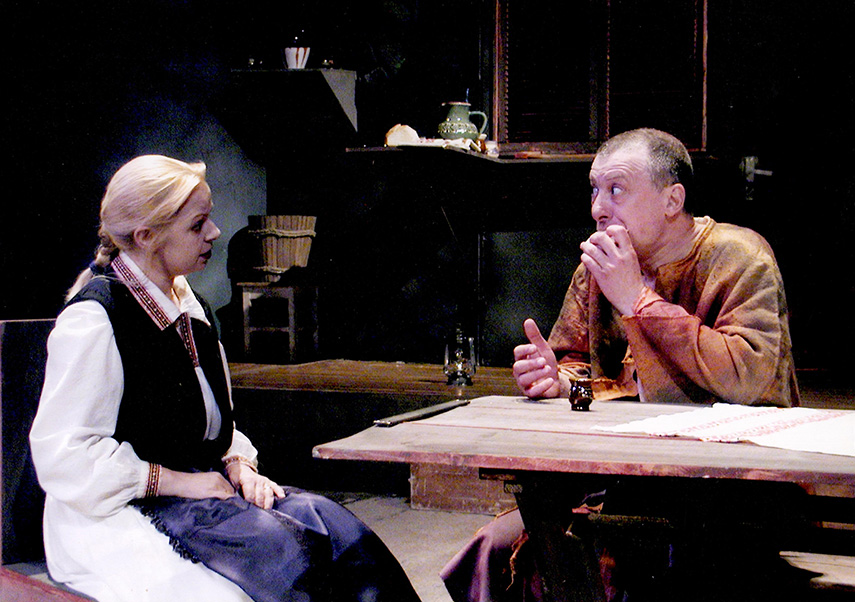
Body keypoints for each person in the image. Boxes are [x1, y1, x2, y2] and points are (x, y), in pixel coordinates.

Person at [29, 155, 421, 602]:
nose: (215, 232)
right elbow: (65, 458)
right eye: (198, 225)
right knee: (278, 566)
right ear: (146, 236)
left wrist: (238, 464)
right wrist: (180, 483)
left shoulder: (187, 305)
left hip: (199, 487)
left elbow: (210, 420)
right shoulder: (97, 320)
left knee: (341, 536)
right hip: (114, 513)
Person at [440, 128, 802, 602]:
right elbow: (580, 369)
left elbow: (746, 378)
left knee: (631, 565)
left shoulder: (739, 257)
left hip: (725, 487)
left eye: (616, 190)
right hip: (621, 477)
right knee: (492, 548)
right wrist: (556, 382)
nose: (598, 207)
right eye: (594, 189)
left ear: (672, 200)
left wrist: (637, 299)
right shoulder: (598, 269)